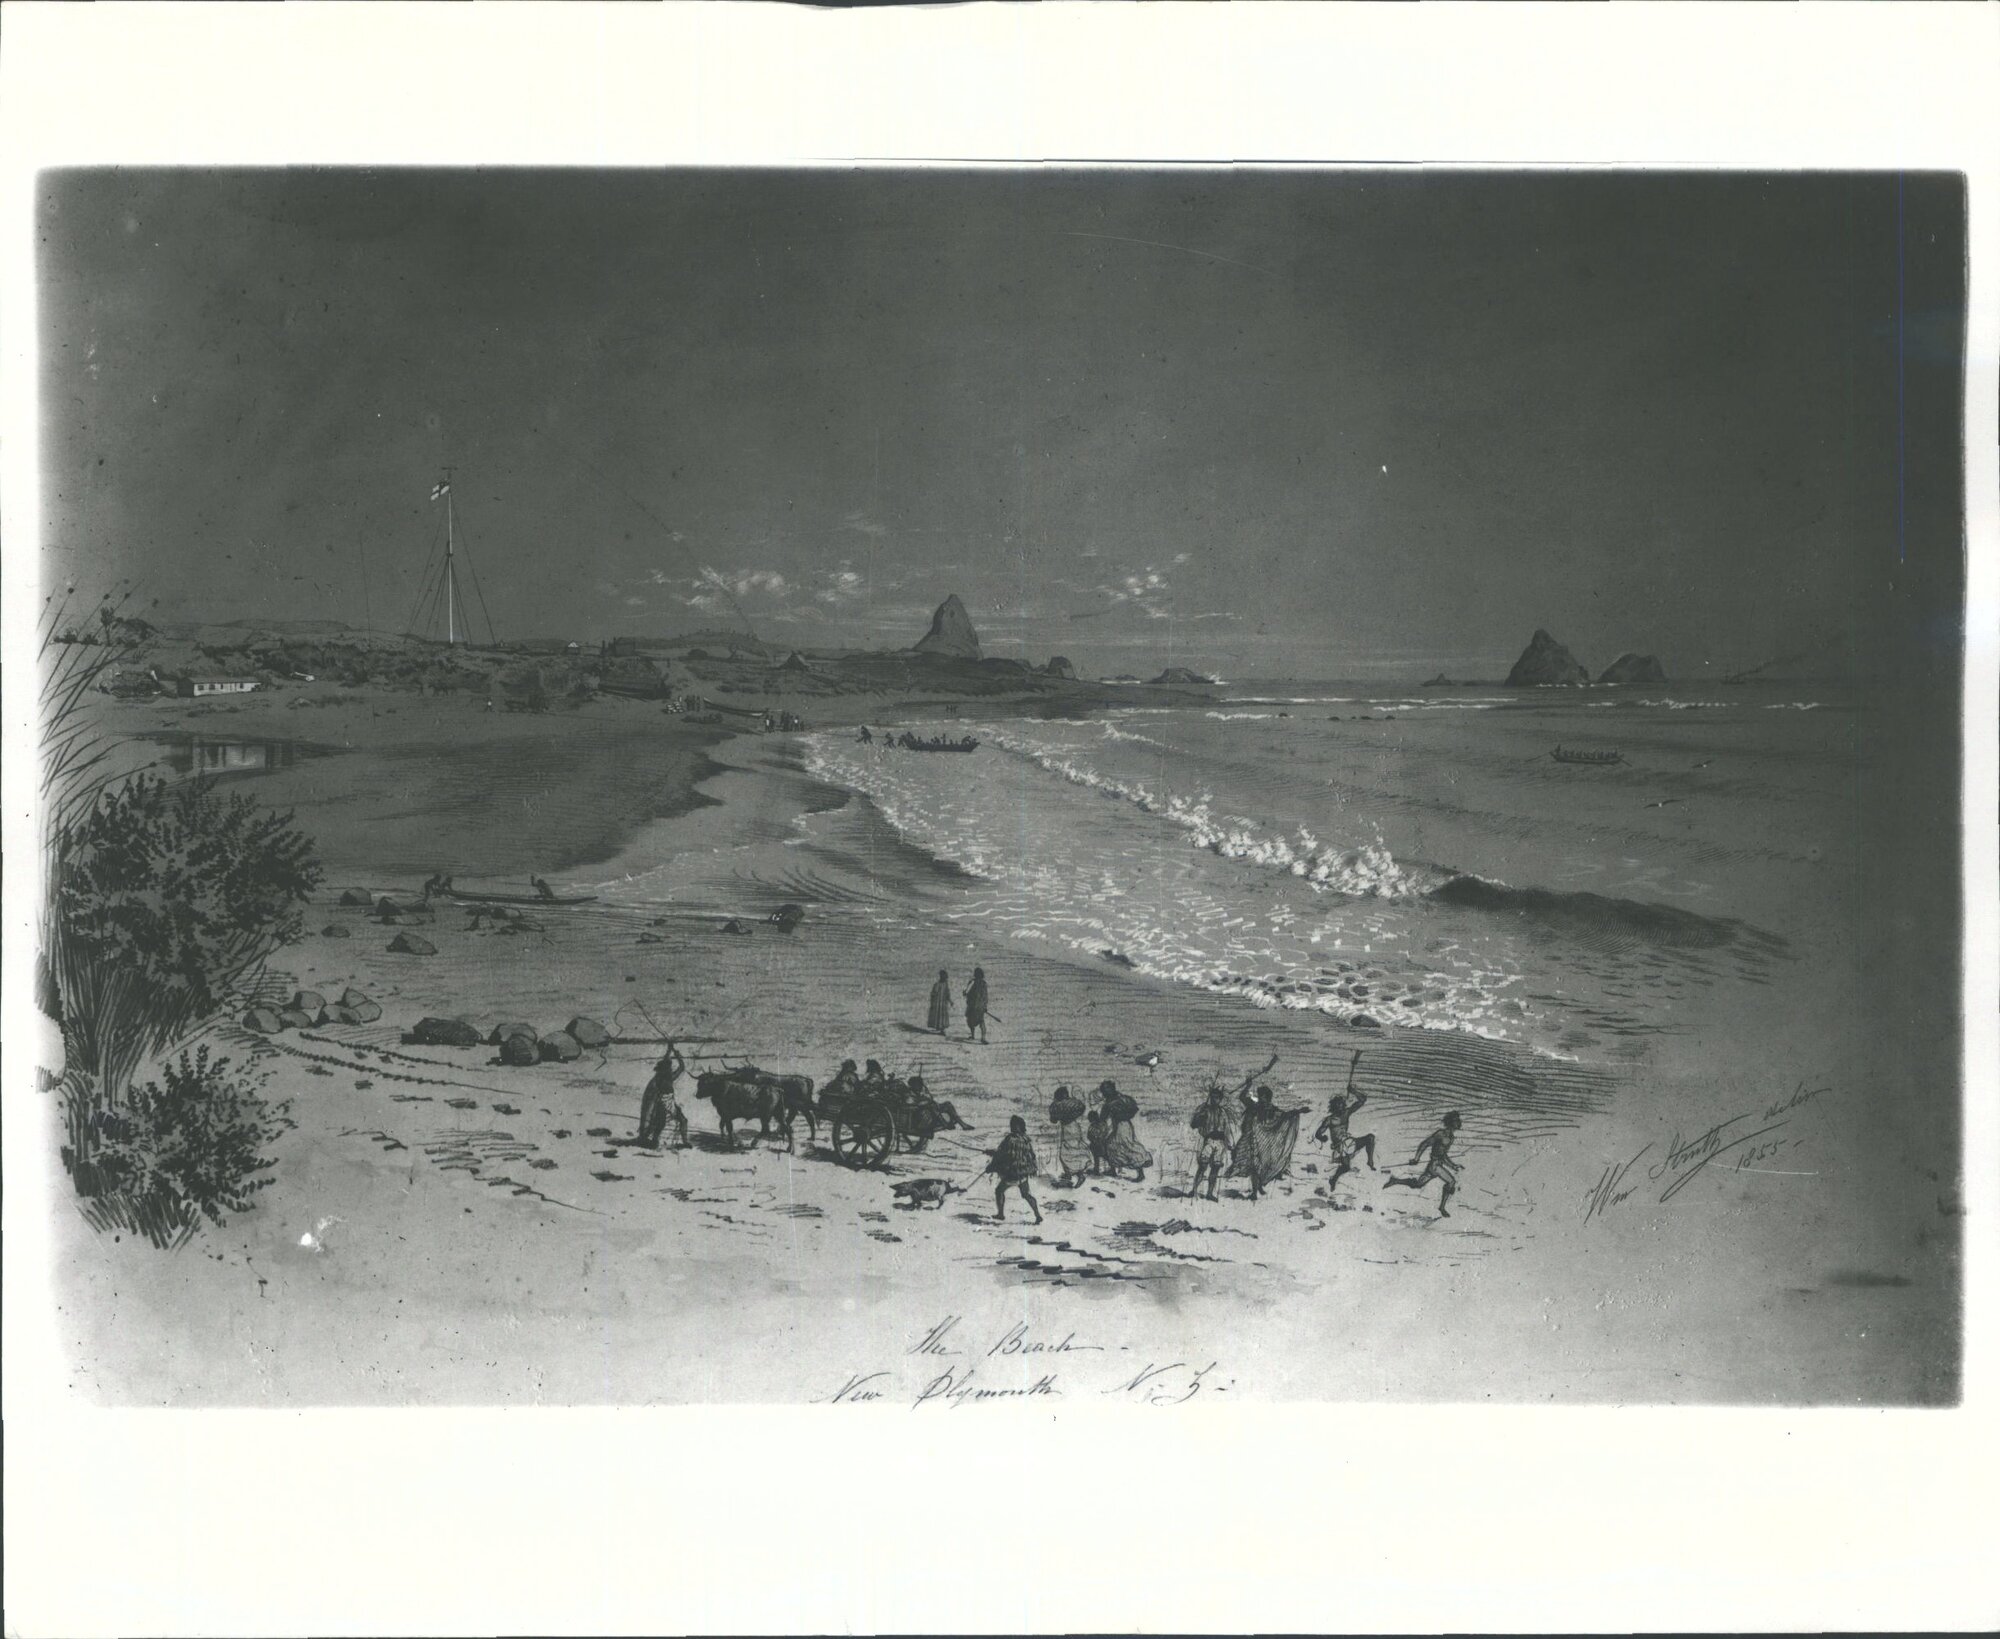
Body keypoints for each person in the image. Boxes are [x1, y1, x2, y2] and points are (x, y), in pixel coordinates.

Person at [1314, 1051, 1378, 1199]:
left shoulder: (1346, 1113)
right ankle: (1334, 1179)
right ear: (1335, 1107)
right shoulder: (1330, 1120)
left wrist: (1354, 1091)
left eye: (1343, 1105)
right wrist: (1322, 1138)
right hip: (1341, 1147)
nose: (1342, 1107)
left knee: (1370, 1138)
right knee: (1346, 1167)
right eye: (1340, 1105)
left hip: (1350, 1142)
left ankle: (1370, 1161)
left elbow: (1362, 1100)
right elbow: (1318, 1133)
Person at [1230, 1084, 1305, 1202]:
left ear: (1268, 1098)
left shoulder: (1271, 1109)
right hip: (1249, 1139)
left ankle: (1257, 1188)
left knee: (1261, 1165)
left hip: (1264, 1142)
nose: (1262, 1098)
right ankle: (1255, 1191)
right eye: (1260, 1096)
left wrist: (1298, 1111)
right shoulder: (1253, 1105)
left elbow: (1284, 1115)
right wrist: (1248, 1085)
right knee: (1253, 1165)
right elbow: (1242, 1097)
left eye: (1264, 1097)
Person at [1383, 1111, 1463, 1217]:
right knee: (1451, 1182)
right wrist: (1416, 1158)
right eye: (1456, 1120)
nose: (1459, 1122)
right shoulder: (1440, 1134)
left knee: (1418, 1184)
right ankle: (1442, 1207)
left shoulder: (1451, 1137)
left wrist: (1453, 1165)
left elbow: (1443, 1155)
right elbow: (1424, 1144)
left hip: (1437, 1165)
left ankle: (1395, 1181)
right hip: (1434, 1166)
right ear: (1451, 1122)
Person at [984, 1115, 1043, 1224]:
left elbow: (1002, 1155)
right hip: (1023, 1174)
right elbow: (1030, 1156)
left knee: (999, 1191)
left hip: (1012, 1175)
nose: (1011, 1127)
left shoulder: (1009, 1139)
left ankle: (1001, 1214)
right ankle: (1038, 1215)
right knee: (1027, 1195)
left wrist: (991, 1164)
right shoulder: (1026, 1139)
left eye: (1013, 1125)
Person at [1187, 1084, 1235, 1201]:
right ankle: (1194, 1190)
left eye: (1217, 1098)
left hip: (1220, 1143)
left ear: (1220, 1099)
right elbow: (1194, 1124)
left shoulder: (1223, 1113)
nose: (1214, 1100)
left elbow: (1227, 1129)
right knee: (1203, 1166)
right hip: (1208, 1140)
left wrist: (1230, 1144)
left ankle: (1209, 1193)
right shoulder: (1205, 1111)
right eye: (1213, 1097)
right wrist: (1200, 1114)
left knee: (1215, 1168)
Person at [637, 1041, 688, 1149]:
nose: (670, 1069)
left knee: (683, 1120)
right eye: (667, 1069)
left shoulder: (667, 1076)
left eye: (669, 1068)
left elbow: (679, 1067)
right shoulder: (661, 1078)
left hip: (670, 1103)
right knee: (660, 1124)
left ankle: (685, 1142)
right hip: (661, 1103)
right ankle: (653, 1141)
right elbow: (681, 1067)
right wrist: (677, 1056)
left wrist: (671, 1051)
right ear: (663, 1070)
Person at [1099, 1080, 1152, 1183]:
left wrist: (1120, 1115)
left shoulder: (1118, 1100)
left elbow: (1134, 1109)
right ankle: (1113, 1170)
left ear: (1111, 1089)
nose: (1104, 1093)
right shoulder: (1115, 1100)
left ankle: (1140, 1173)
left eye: (1106, 1090)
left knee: (1128, 1147)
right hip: (1120, 1126)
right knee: (1110, 1145)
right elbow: (1103, 1117)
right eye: (1104, 1090)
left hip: (1123, 1126)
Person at [1048, 1085, 1090, 1187]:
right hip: (1075, 1127)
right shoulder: (1072, 1104)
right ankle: (1069, 1174)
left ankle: (1080, 1175)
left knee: (1068, 1153)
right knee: (1072, 1151)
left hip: (1068, 1129)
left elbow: (1053, 1120)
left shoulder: (1058, 1105)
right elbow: (1081, 1108)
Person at [964, 967, 990, 1043]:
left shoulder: (975, 983)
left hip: (975, 1006)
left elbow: (967, 993)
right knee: (978, 1021)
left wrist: (984, 1005)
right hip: (976, 1006)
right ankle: (981, 1037)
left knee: (974, 1021)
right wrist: (985, 1006)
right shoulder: (978, 983)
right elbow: (985, 996)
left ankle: (978, 1037)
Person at [926, 969, 953, 1035]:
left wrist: (950, 1001)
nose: (946, 979)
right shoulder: (937, 984)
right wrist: (932, 1003)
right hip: (937, 1003)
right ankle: (939, 1028)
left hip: (943, 1004)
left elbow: (947, 993)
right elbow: (933, 994)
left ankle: (942, 1029)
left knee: (942, 1016)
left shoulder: (945, 984)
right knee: (938, 1015)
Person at [1086, 1106, 1110, 1176]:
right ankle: (1098, 1170)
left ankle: (1097, 1170)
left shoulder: (1093, 1126)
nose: (1089, 1120)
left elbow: (1089, 1135)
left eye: (1089, 1118)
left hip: (1097, 1144)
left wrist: (1094, 1139)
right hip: (1101, 1144)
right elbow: (1105, 1133)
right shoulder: (1103, 1124)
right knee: (1105, 1156)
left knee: (1098, 1157)